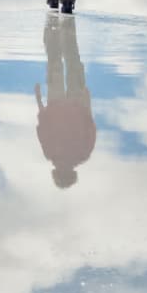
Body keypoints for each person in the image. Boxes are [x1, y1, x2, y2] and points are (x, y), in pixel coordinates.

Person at [35, 12, 95, 189]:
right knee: (56, 63)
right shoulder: (51, 153)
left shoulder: (83, 154)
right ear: (56, 172)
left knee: (72, 61)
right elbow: (42, 125)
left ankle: (65, 32)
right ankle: (58, 32)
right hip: (58, 103)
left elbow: (89, 125)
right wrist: (38, 99)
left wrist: (87, 100)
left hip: (74, 104)